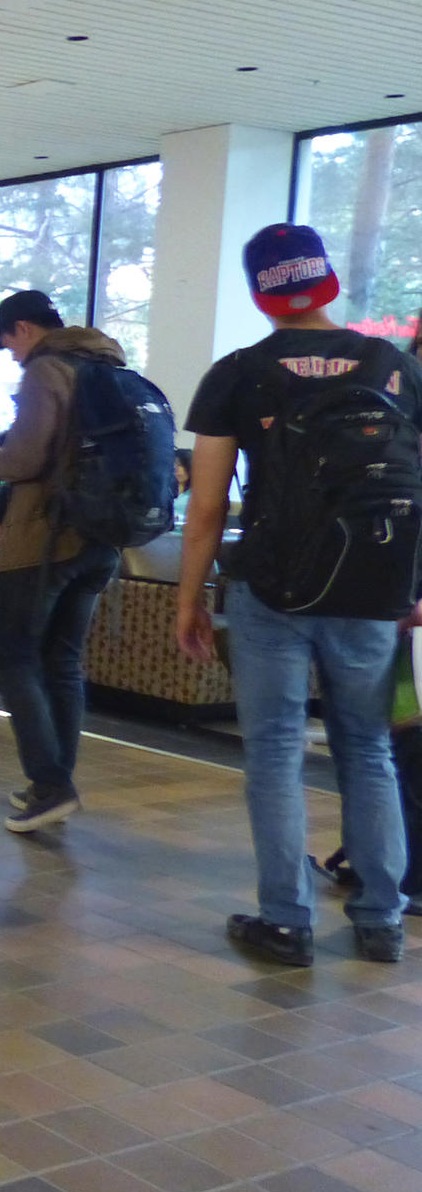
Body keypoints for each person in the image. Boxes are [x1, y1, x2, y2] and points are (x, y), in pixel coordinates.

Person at [178, 224, 418, 966]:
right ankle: (381, 917)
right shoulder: (397, 366)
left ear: (261, 292)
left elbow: (210, 506)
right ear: (328, 282)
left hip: (272, 587)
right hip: (372, 586)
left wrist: (192, 598)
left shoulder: (239, 373)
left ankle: (287, 920)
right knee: (369, 749)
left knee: (276, 751)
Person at [0, 291, 131, 832]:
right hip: (101, 539)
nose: (11, 355)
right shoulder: (107, 365)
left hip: (44, 537)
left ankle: (52, 783)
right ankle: (52, 781)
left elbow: (29, 455)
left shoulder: (46, 368)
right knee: (62, 661)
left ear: (23, 329)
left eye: (8, 343)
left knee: (13, 656)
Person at [172, 447, 193, 524]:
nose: (176, 469)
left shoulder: (197, 494)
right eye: (174, 464)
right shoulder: (165, 491)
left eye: (180, 465)